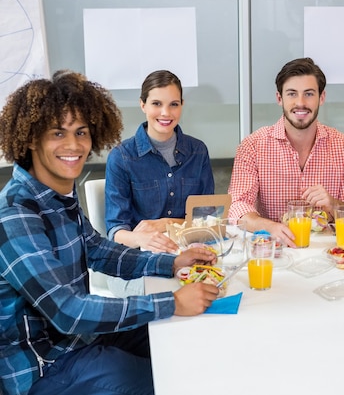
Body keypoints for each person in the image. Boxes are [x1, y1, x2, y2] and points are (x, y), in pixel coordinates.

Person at [0, 71, 219, 395]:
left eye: (81, 132)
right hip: (42, 366)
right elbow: (67, 311)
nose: (73, 145)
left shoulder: (58, 196)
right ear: (32, 138)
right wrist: (171, 301)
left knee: (184, 340)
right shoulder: (15, 213)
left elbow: (101, 251)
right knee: (172, 380)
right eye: (58, 133)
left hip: (78, 339)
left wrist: (169, 264)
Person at [227, 57, 344, 247]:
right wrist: (269, 226)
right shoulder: (253, 146)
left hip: (330, 250)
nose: (300, 103)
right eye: (292, 94)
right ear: (279, 98)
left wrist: (334, 204)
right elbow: (238, 206)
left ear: (322, 98)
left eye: (309, 94)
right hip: (273, 248)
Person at [105, 70, 215, 254]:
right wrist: (141, 238)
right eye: (156, 103)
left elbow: (208, 221)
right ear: (143, 105)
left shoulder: (198, 151)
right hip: (139, 257)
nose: (166, 113)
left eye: (174, 104)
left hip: (189, 251)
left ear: (182, 105)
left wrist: (166, 223)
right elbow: (116, 231)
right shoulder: (121, 157)